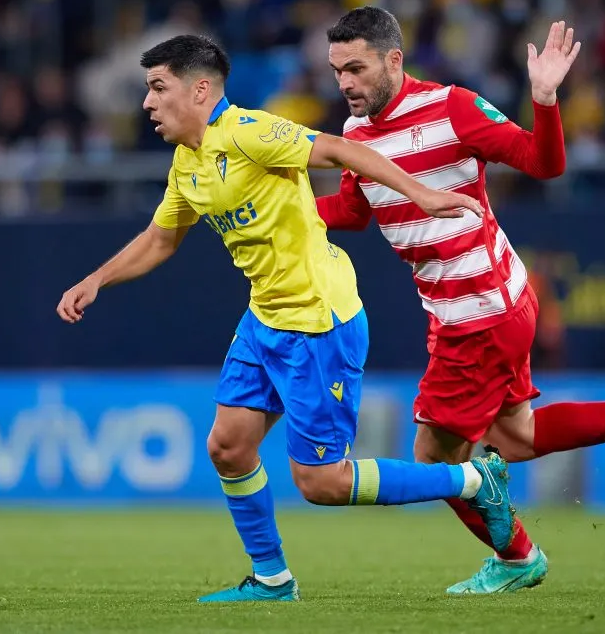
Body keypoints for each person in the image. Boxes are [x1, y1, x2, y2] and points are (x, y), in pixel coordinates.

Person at [56, 34, 520, 603]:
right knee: (228, 445)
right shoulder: (188, 163)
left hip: (318, 321)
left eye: (158, 87)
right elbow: (160, 238)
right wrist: (96, 280)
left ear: (200, 90)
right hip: (265, 318)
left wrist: (421, 194)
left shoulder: (249, 133)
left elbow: (341, 150)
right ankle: (273, 579)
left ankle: (473, 479)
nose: (147, 102)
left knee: (322, 483)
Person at [316, 7, 605, 594]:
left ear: (394, 60)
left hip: (479, 309)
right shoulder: (355, 133)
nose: (345, 83)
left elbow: (544, 163)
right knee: (516, 437)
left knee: (434, 460)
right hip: (481, 305)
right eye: (337, 70)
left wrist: (544, 99)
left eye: (356, 68)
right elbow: (351, 211)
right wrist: (274, 211)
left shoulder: (451, 108)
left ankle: (519, 557)